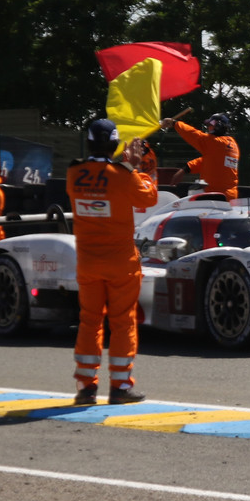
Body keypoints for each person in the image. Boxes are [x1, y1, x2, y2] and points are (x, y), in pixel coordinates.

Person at [68, 119, 158, 406]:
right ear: (115, 145)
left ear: (90, 142)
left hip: (87, 262)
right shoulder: (123, 174)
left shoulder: (74, 172)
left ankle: (86, 387)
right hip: (121, 263)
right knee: (122, 322)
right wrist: (137, 167)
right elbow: (150, 196)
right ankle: (119, 385)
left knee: (89, 321)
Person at [160, 112, 239, 199]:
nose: (209, 127)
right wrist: (187, 168)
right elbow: (213, 161)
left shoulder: (214, 142)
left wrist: (175, 123)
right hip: (230, 196)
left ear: (219, 126)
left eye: (211, 124)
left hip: (214, 197)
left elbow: (193, 134)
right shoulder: (232, 144)